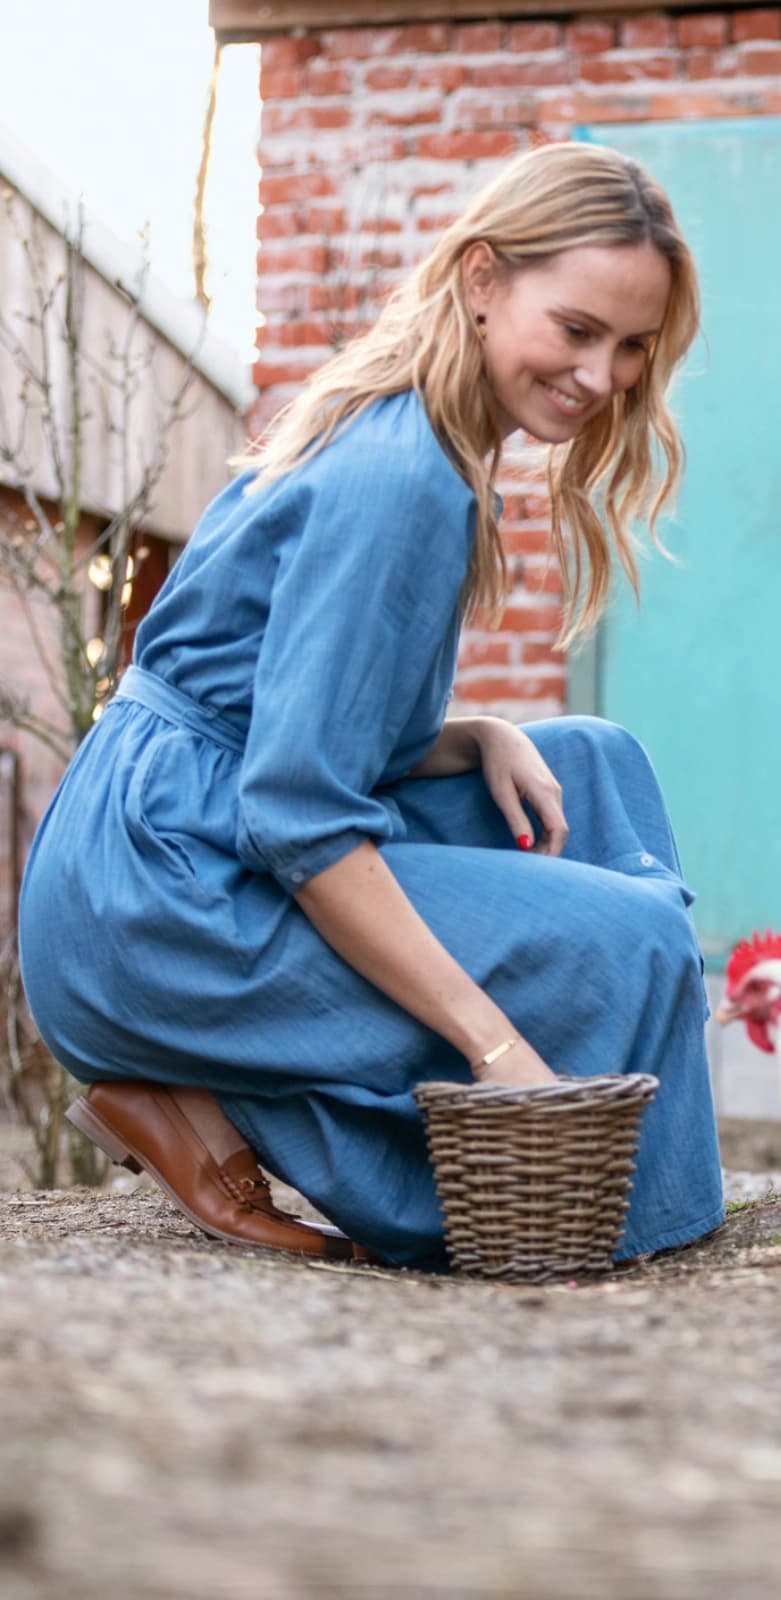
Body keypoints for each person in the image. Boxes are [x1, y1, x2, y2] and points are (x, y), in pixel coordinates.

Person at [16, 142, 726, 1271]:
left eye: (633, 346)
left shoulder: (420, 434)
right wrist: (494, 1047)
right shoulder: (402, 479)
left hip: (174, 835)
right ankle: (507, 1163)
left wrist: (477, 733)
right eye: (578, 329)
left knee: (595, 766)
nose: (604, 377)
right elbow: (300, 817)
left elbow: (289, 722)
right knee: (631, 942)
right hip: (162, 899)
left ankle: (588, 1160)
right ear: (483, 280)